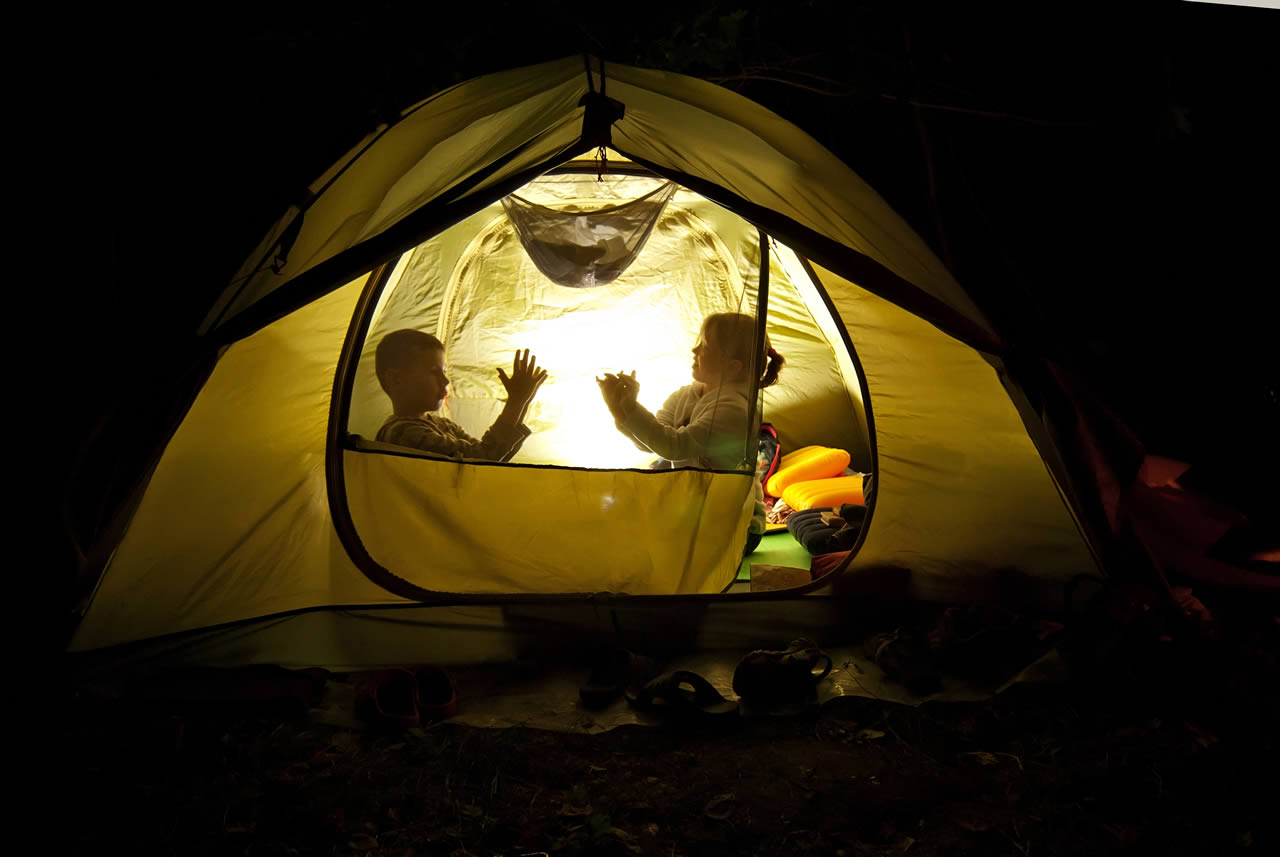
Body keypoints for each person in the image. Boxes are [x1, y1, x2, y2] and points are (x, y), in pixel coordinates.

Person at [597, 312, 785, 555]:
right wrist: (619, 411)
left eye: (704, 346)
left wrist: (631, 408)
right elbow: (652, 442)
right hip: (696, 512)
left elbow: (673, 446)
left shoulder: (735, 409)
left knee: (632, 534)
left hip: (736, 527)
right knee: (620, 516)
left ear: (731, 366)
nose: (694, 350)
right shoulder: (686, 395)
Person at [374, 328, 547, 462]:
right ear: (396, 379)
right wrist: (516, 402)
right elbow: (482, 460)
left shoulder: (443, 424)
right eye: (434, 372)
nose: (445, 381)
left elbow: (495, 454)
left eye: (444, 372)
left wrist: (522, 401)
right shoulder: (401, 433)